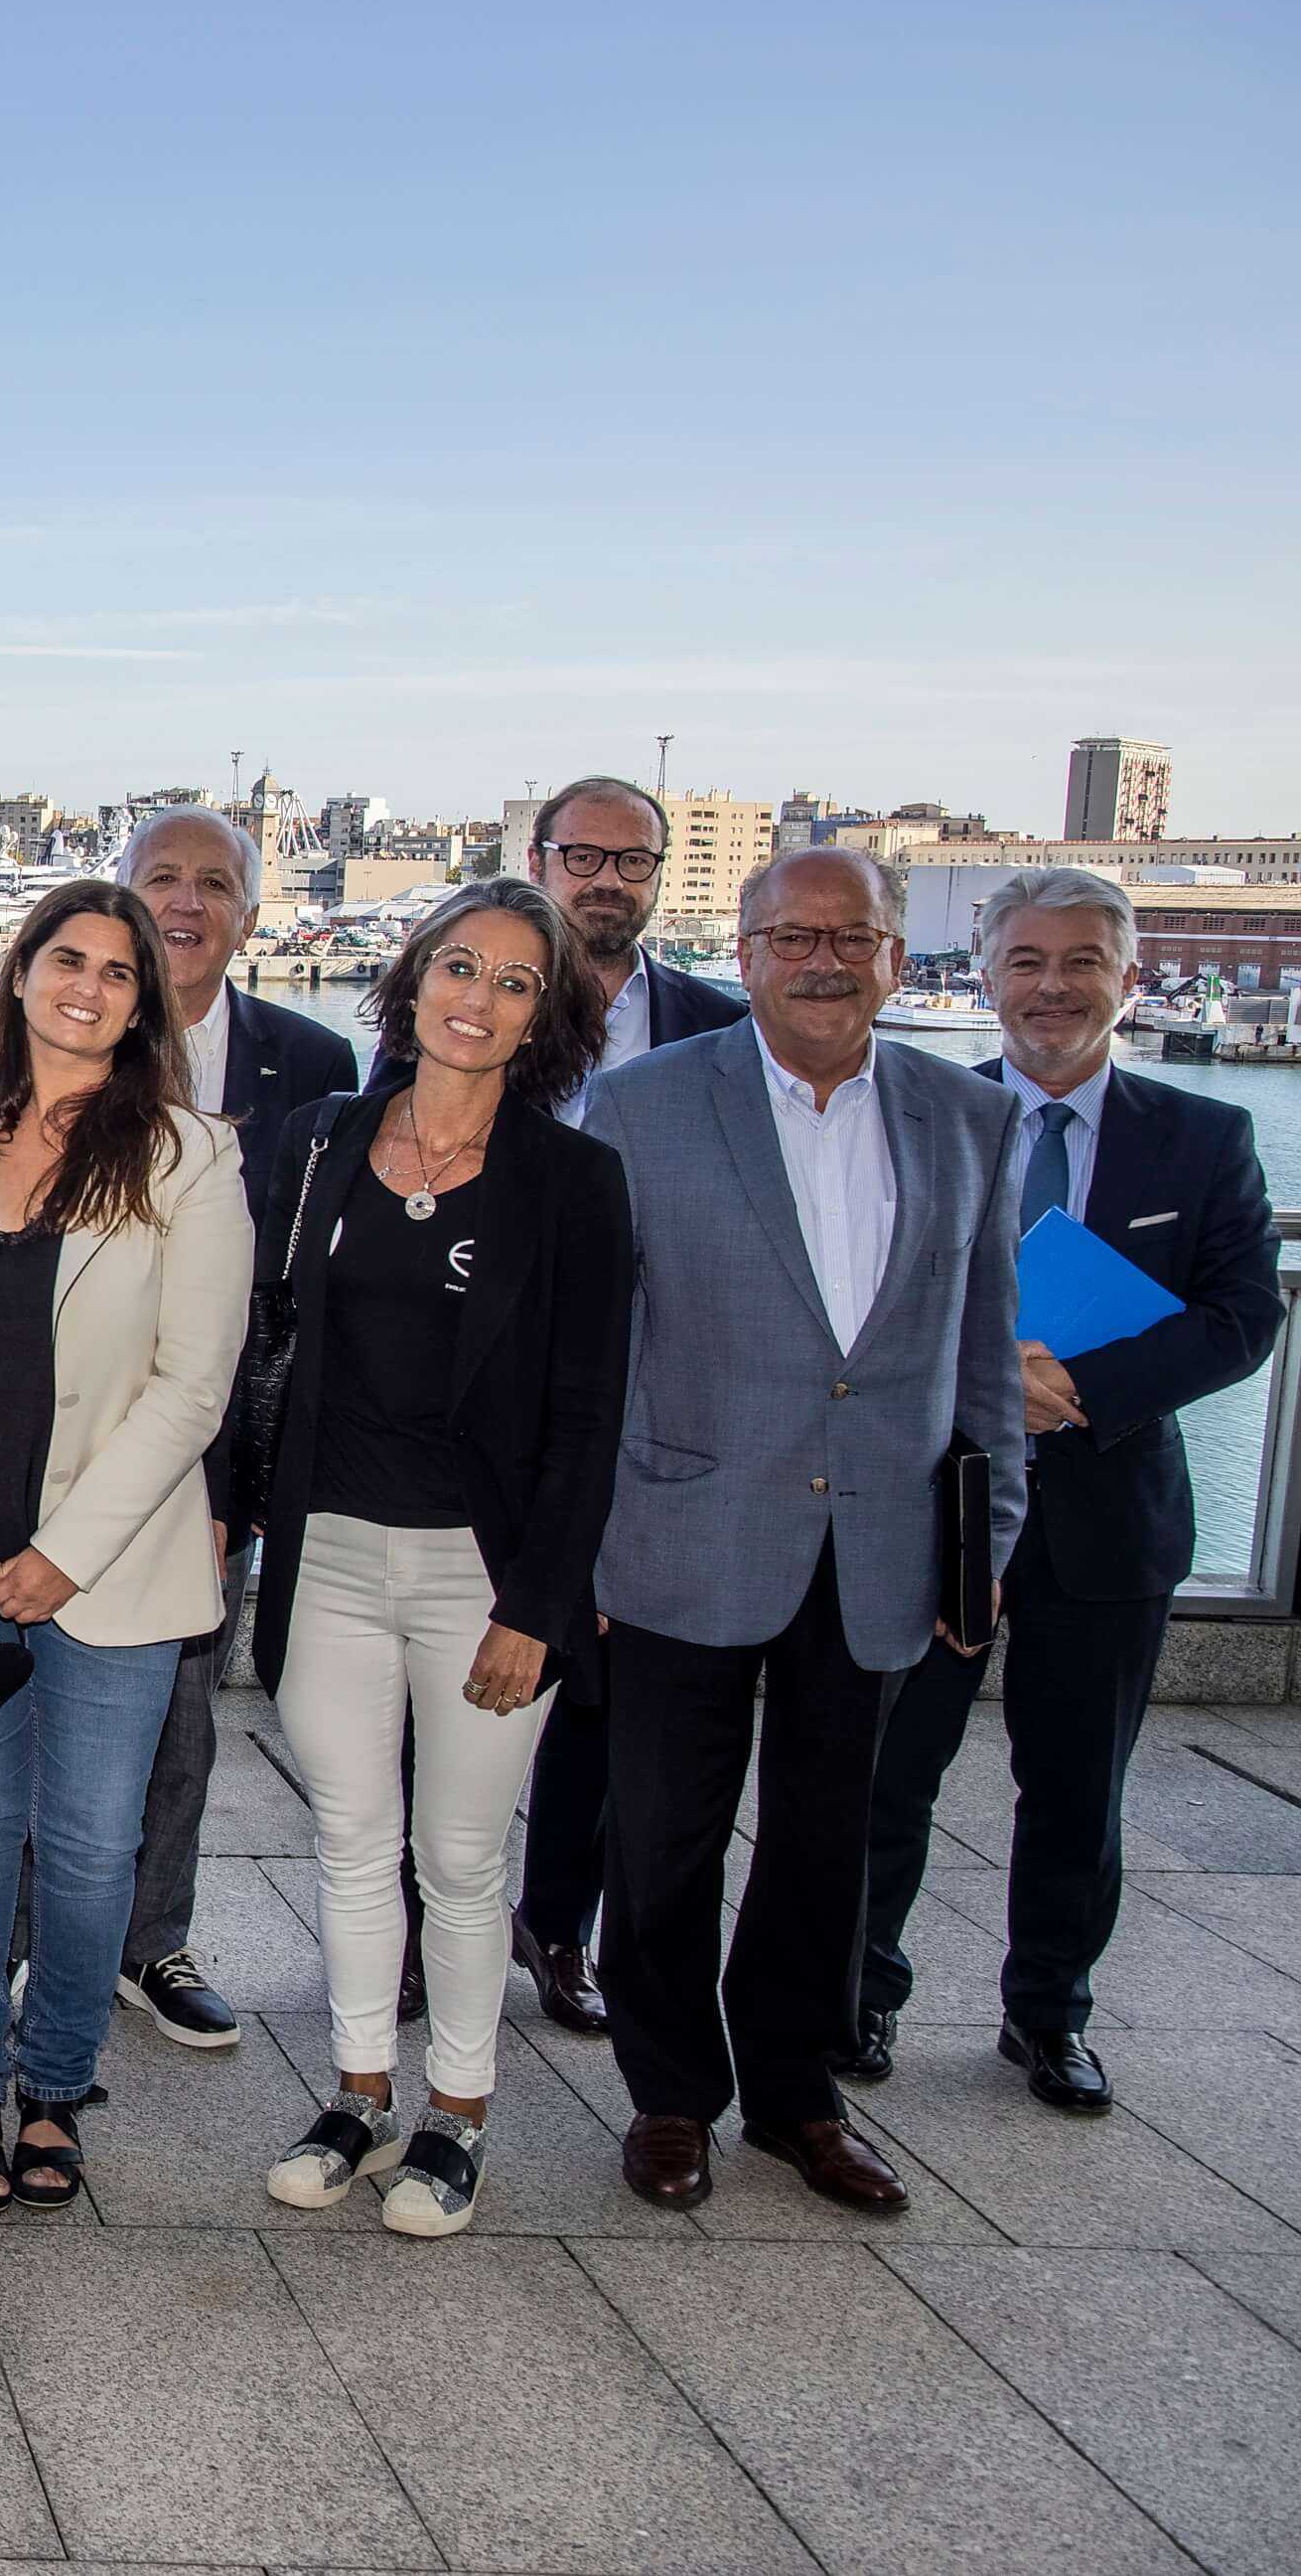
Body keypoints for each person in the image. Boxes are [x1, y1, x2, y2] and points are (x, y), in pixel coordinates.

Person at [583, 844, 1025, 2215]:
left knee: (831, 1840)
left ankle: (793, 2094)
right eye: (794, 937)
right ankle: (670, 2095)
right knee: (661, 1838)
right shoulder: (643, 1104)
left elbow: (988, 1354)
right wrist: (579, 1546)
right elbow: (596, 1346)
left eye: (856, 936)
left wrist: (986, 1541)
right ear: (749, 953)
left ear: (895, 957)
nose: (826, 960)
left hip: (882, 1545)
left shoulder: (967, 1116)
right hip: (681, 1526)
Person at [0, 878, 251, 2213]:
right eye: (64, 959)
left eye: (118, 973)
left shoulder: (191, 1157)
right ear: (17, 976)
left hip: (112, 1570)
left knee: (86, 1848)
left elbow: (194, 1385)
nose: (87, 985)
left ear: (146, 1006)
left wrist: (64, 1555)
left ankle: (59, 2081)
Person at [236, 880, 631, 2238]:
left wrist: (541, 1606)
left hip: (482, 1576)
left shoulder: (574, 1183)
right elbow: (266, 1340)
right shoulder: (319, 1140)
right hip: (328, 1552)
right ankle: (358, 2098)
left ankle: (457, 2118)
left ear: (545, 1021)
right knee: (352, 1842)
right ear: (408, 983)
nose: (478, 998)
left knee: (461, 1859)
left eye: (516, 983)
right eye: (459, 966)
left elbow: (589, 1416)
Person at [855, 867, 1278, 2112]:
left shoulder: (1201, 1137)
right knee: (890, 1769)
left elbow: (1242, 1316)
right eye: (1026, 960)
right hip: (930, 1499)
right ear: (983, 974)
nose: (1051, 986)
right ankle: (859, 1991)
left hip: (1107, 1509)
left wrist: (1079, 1385)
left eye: (1081, 961)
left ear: (1126, 978)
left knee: (1077, 1786)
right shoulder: (908, 1116)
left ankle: (1047, 2015)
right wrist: (987, 1375)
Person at [504, 774, 744, 2035]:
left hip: (657, 1407)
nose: (607, 879)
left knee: (602, 1683)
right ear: (539, 860)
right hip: (488, 1402)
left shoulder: (720, 1026)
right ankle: (434, 1926)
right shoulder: (477, 998)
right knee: (460, 1665)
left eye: (632, 860)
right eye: (583, 855)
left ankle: (559, 1925)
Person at [122, 806, 356, 2048]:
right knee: (30, 1694)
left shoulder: (315, 1065)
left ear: (251, 917)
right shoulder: (61, 1025)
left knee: (183, 1704)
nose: (185, 900)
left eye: (215, 882)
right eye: (160, 876)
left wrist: (250, 1478)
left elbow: (311, 1278)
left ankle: (149, 1937)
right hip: (70, 1424)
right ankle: (15, 1931)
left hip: (220, 1436)